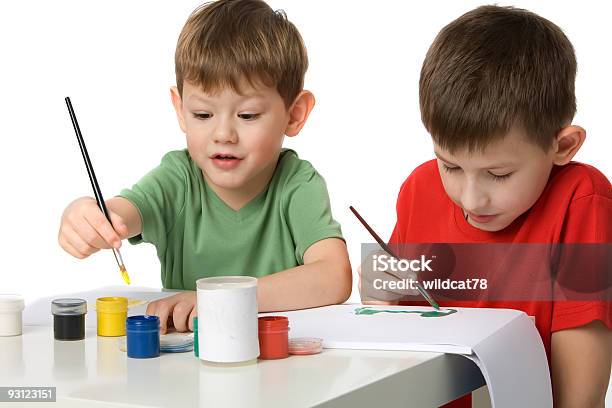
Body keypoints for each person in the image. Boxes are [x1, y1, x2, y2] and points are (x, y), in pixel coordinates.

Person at [363, 6, 611, 407]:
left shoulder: (582, 200)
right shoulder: (419, 188)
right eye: (451, 165)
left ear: (562, 146)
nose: (470, 198)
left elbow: (580, 398)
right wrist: (381, 294)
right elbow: (393, 340)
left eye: (498, 174)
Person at [59, 0, 351, 335]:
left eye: (248, 115)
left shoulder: (297, 184)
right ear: (180, 109)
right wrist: (90, 217)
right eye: (202, 115)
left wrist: (223, 299)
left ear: (295, 114)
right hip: (184, 367)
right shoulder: (178, 178)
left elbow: (334, 275)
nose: (223, 135)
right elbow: (121, 213)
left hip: (279, 369)